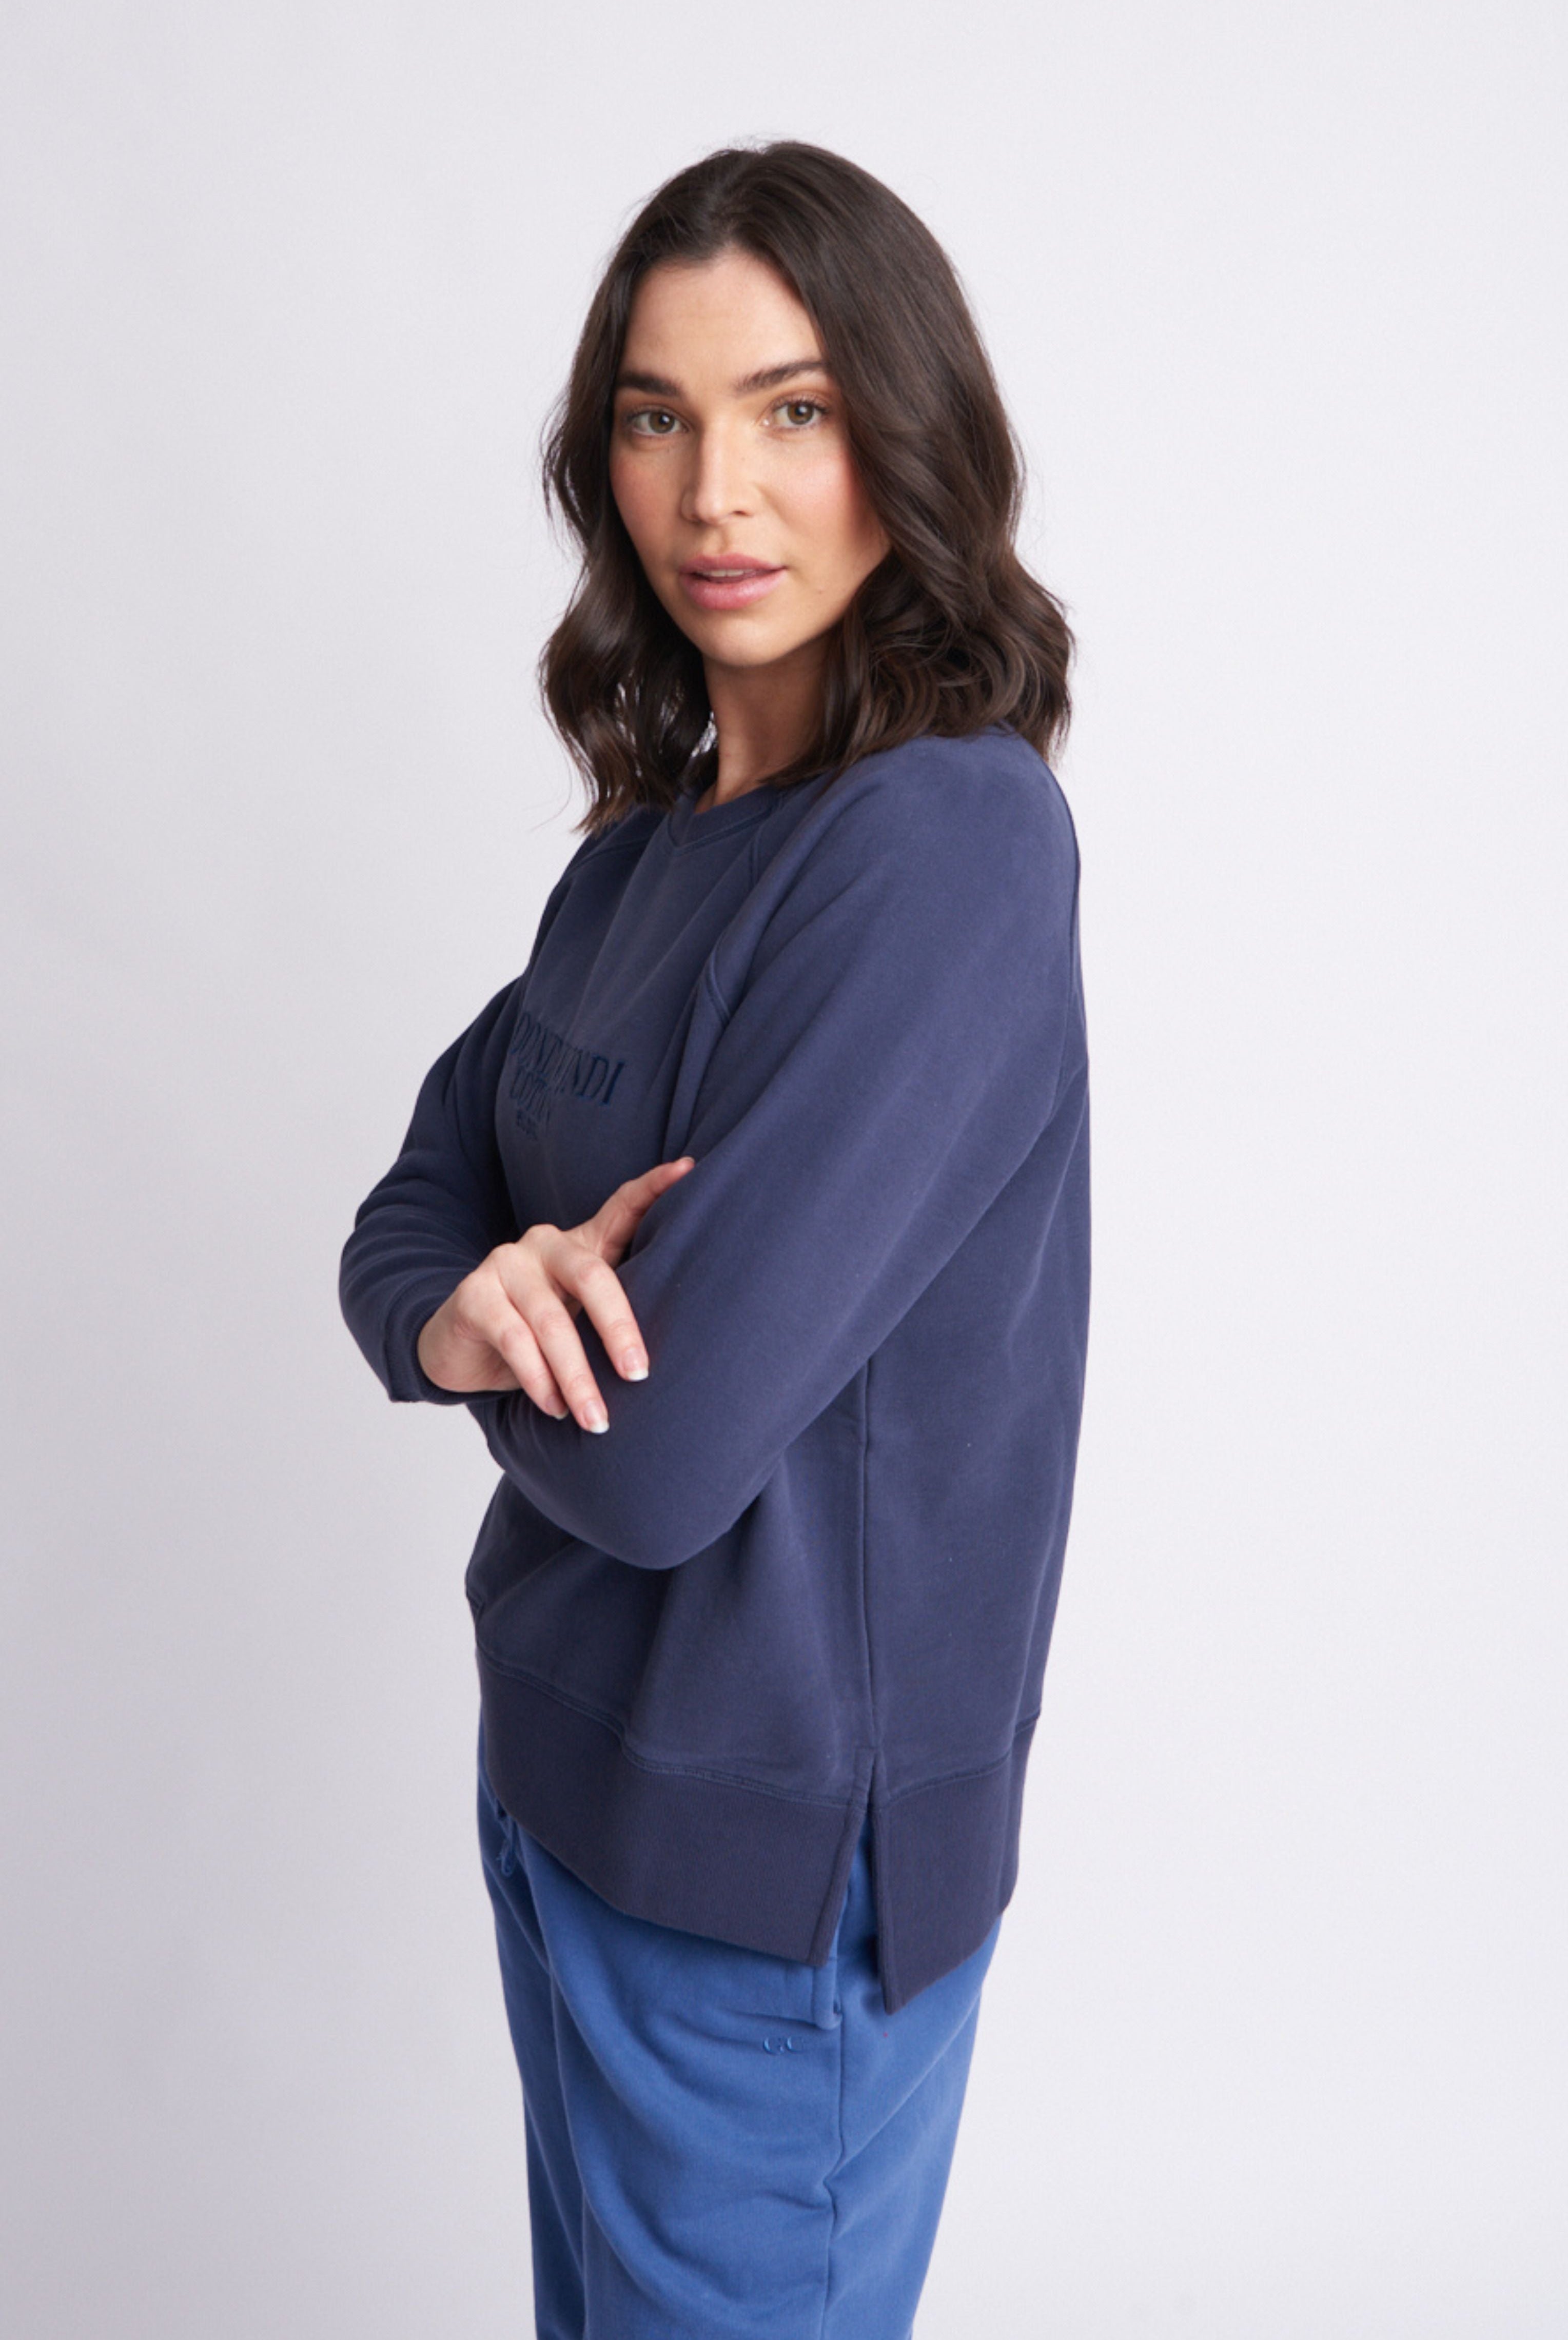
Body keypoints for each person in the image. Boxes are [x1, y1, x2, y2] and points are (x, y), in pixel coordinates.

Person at [339, 139, 1089, 2340]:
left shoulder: (949, 841)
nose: (715, 492)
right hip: (563, 1794)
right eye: (656, 416)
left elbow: (660, 1460)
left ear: (904, 435)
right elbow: (411, 1202)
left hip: (776, 1893)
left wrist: (500, 1335)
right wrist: (471, 1314)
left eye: (793, 408)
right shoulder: (638, 862)